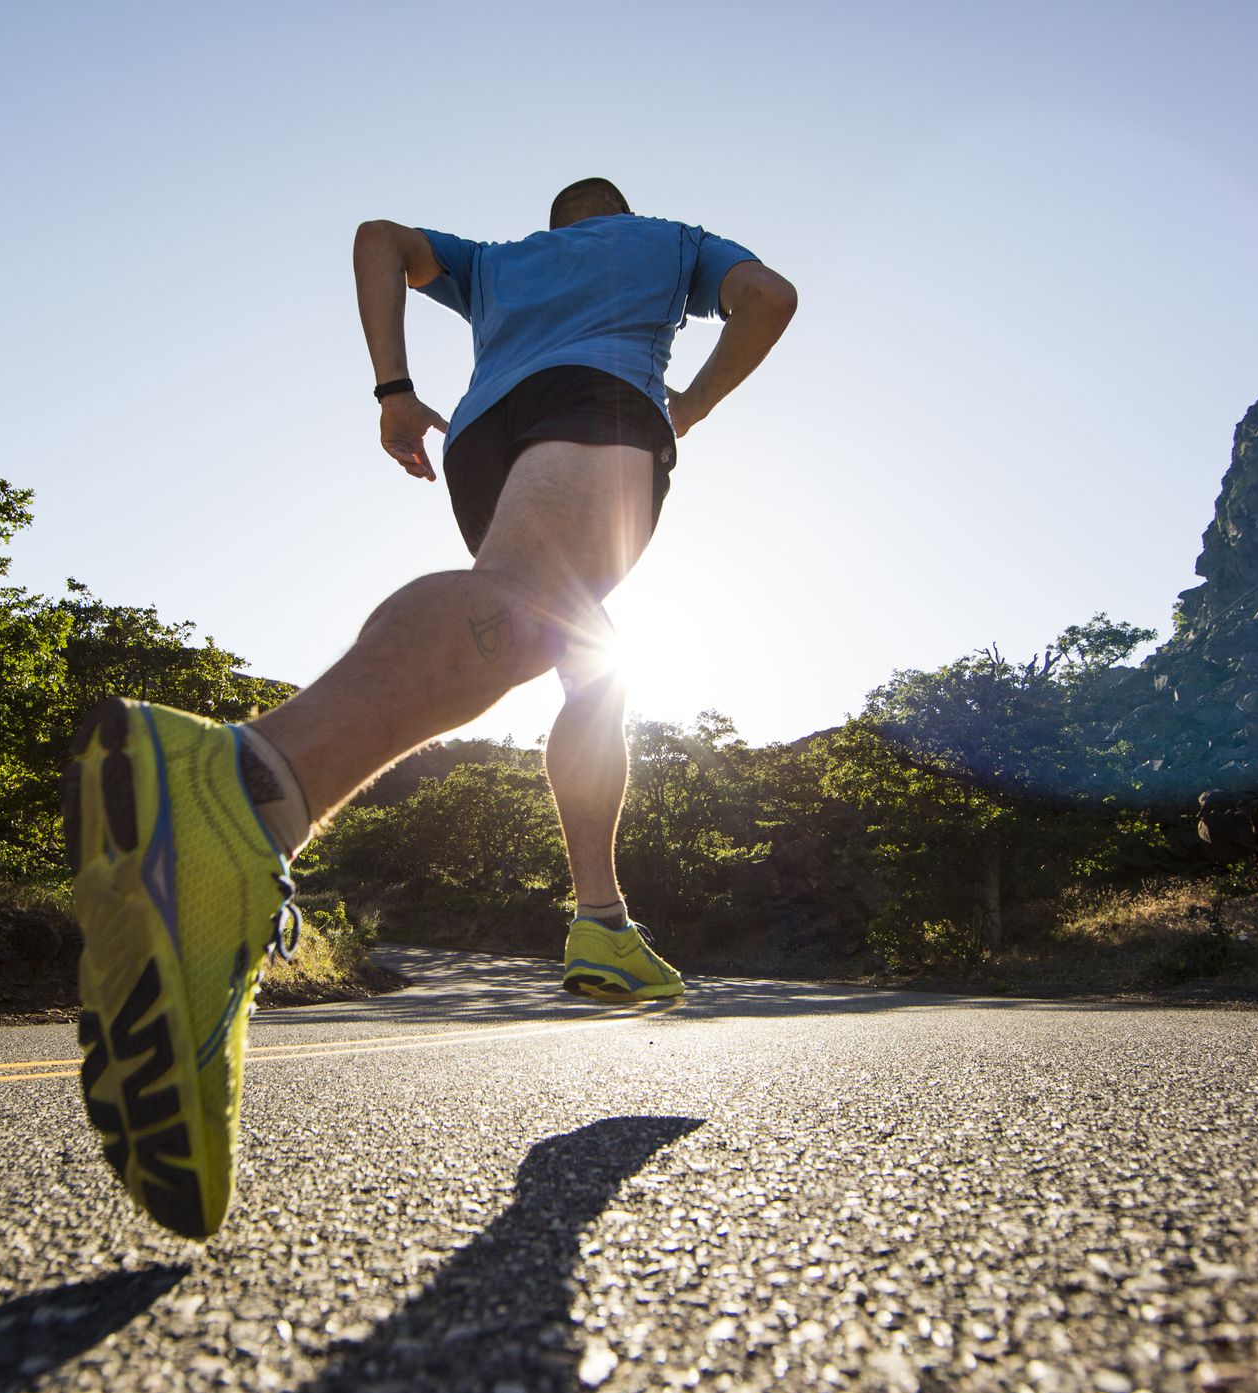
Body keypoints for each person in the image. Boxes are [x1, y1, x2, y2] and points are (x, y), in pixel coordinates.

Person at [63, 178, 797, 1237]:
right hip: (601, 405)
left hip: (484, 439)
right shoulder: (671, 242)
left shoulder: (499, 261)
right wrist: (686, 409)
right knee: (533, 609)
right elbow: (768, 297)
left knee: (593, 663)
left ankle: (601, 919)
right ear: (620, 213)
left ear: (559, 224)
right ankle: (249, 785)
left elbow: (377, 237)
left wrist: (393, 391)